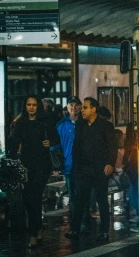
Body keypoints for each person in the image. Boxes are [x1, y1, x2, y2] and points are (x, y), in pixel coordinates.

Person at [8, 95, 59, 247]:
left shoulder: (45, 122)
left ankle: (32, 233)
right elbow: (13, 143)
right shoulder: (21, 123)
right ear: (25, 106)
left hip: (42, 165)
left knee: (35, 196)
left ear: (38, 106)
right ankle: (37, 227)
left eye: (34, 105)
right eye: (29, 104)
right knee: (28, 199)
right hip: (26, 166)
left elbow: (56, 139)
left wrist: (49, 142)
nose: (31, 107)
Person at [65, 96, 117, 243]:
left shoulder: (105, 126)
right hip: (84, 169)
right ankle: (75, 229)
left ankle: (104, 231)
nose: (82, 110)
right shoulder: (80, 126)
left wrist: (110, 164)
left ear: (94, 109)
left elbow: (112, 147)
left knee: (101, 200)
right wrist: (76, 167)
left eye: (85, 107)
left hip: (100, 169)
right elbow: (76, 147)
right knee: (80, 200)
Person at [56, 95, 82, 218]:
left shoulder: (84, 123)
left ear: (81, 107)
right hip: (68, 165)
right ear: (67, 107)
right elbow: (56, 146)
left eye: (76, 105)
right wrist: (57, 165)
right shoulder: (60, 125)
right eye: (71, 105)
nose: (73, 107)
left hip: (83, 165)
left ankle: (84, 220)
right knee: (72, 193)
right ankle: (75, 220)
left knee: (83, 193)